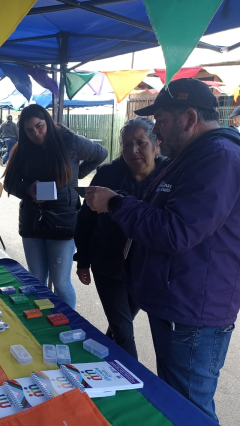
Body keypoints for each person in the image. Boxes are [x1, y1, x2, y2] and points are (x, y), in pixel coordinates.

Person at [84, 79, 240, 423]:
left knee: (190, 408)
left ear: (190, 118)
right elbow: (159, 209)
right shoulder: (191, 156)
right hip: (177, 303)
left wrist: (117, 203)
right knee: (176, 401)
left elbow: (177, 231)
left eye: (161, 121)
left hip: (194, 312)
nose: (158, 133)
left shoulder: (219, 158)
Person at [75, 117, 165, 359]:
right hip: (108, 265)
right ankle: (137, 388)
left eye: (140, 143)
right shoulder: (107, 175)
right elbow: (85, 220)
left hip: (144, 270)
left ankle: (100, 361)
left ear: (156, 144)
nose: (133, 150)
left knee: (118, 327)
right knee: (123, 331)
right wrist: (82, 259)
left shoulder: (169, 175)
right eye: (126, 145)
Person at [3, 104, 108, 309]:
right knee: (37, 280)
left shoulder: (69, 140)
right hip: (33, 220)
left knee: (60, 282)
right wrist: (27, 189)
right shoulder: (22, 147)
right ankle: (42, 323)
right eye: (29, 130)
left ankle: (69, 324)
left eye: (40, 126)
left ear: (48, 122)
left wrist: (75, 175)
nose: (36, 133)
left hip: (63, 219)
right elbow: (9, 182)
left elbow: (101, 154)